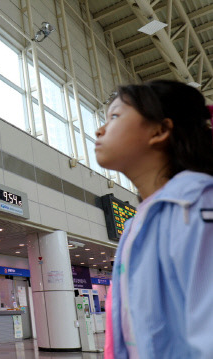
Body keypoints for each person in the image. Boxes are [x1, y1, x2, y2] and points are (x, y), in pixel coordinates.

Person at [96, 80, 213, 358]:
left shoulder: (197, 206)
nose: (100, 130)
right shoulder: (140, 222)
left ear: (160, 130)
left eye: (114, 117)